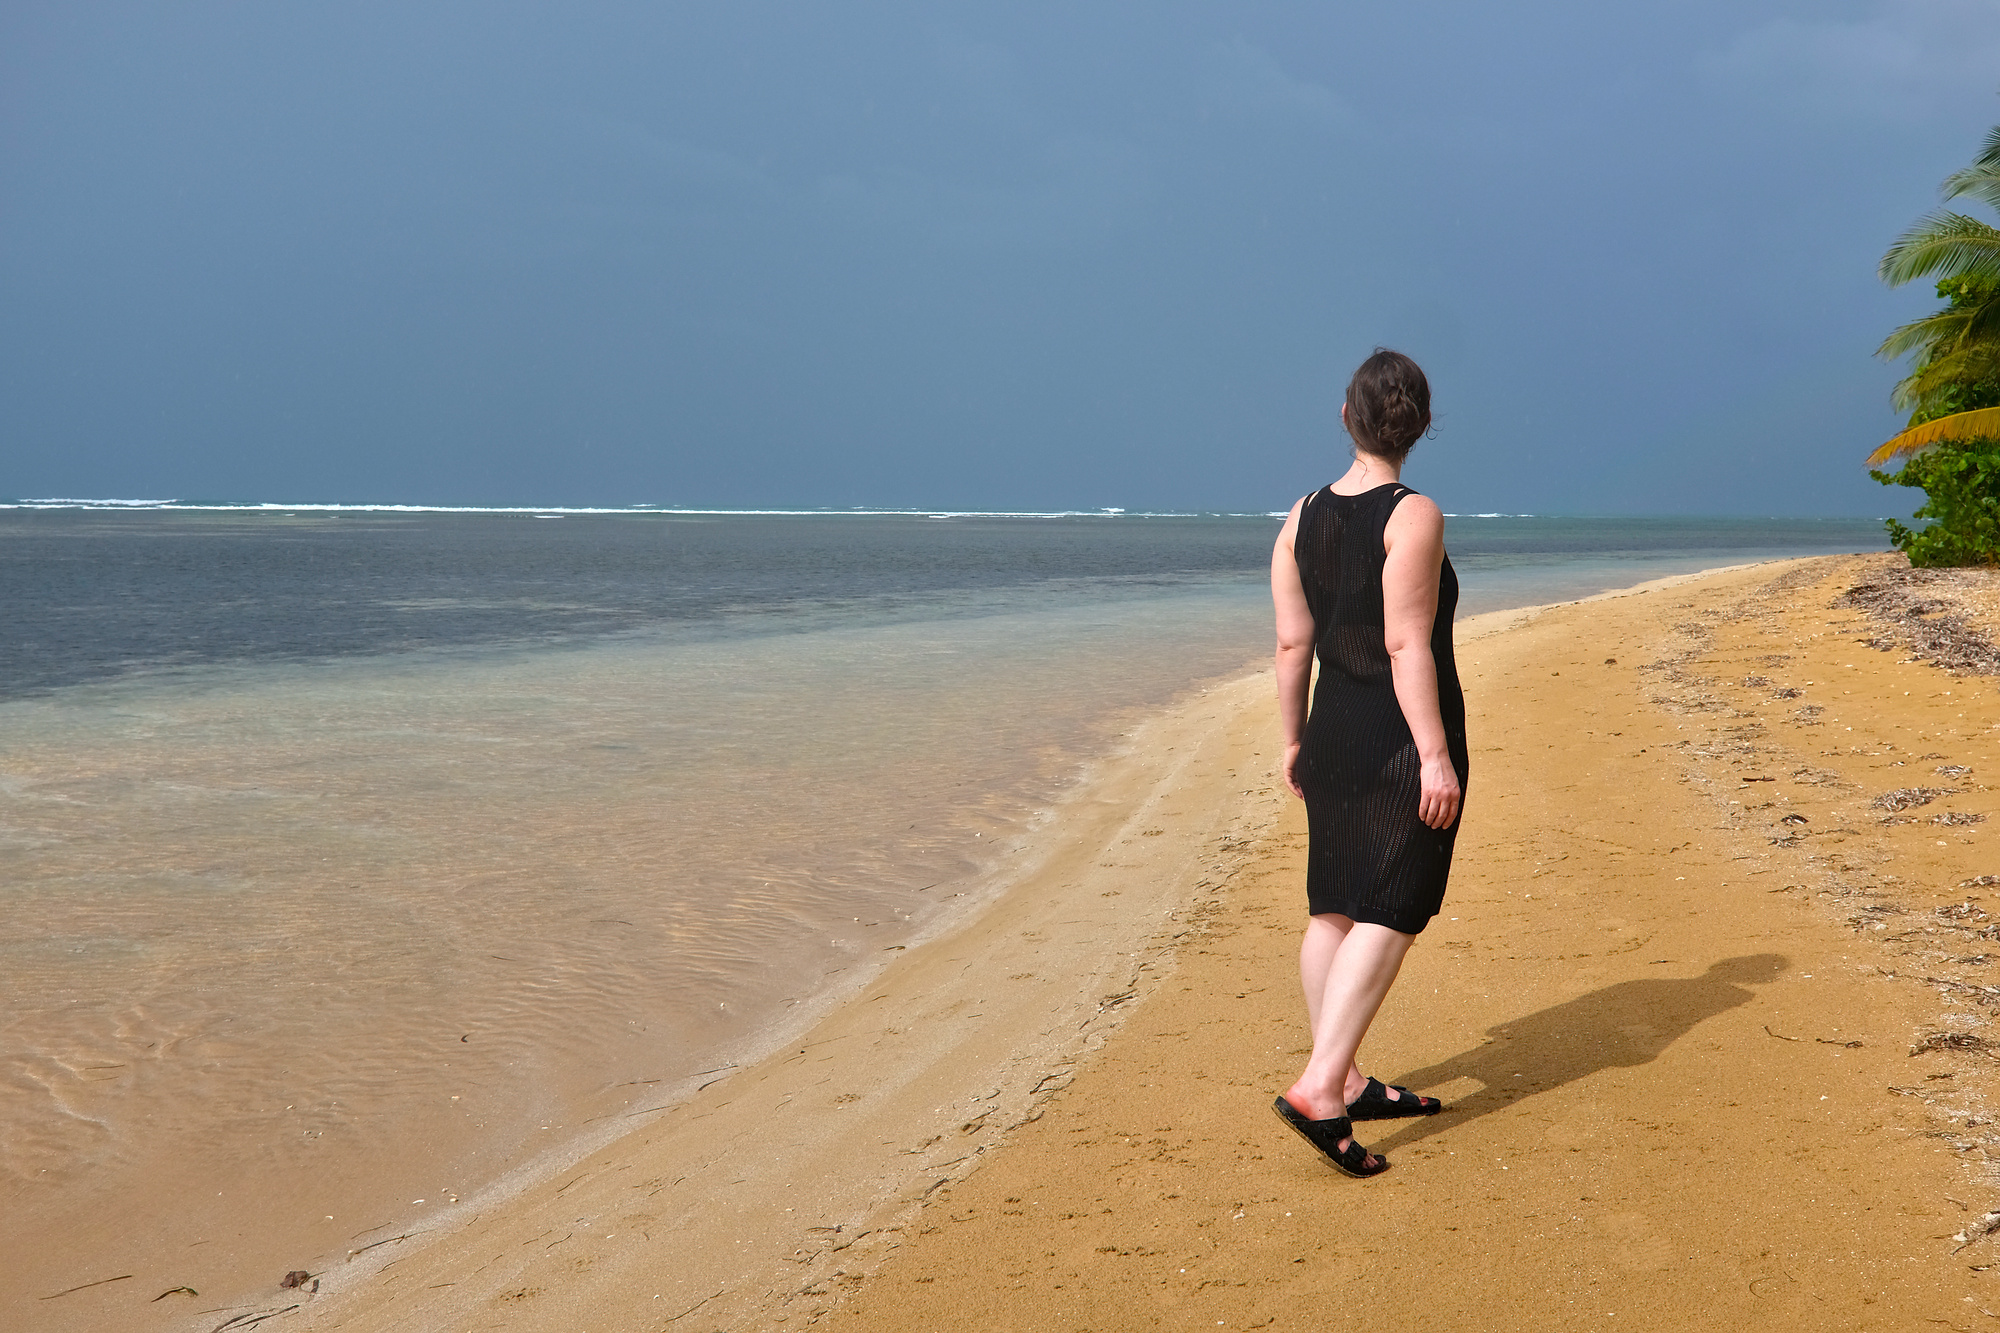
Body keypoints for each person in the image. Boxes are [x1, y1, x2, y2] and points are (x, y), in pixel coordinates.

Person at [1268, 348, 1468, 1177]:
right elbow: (1402, 641)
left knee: (1335, 908)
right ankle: (1320, 1086)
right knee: (1395, 903)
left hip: (1331, 734)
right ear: (1419, 426)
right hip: (1394, 738)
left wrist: (1292, 740)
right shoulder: (1412, 513)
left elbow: (1291, 643)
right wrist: (1435, 756)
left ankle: (1345, 1074)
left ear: (1345, 417)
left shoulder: (1300, 514)